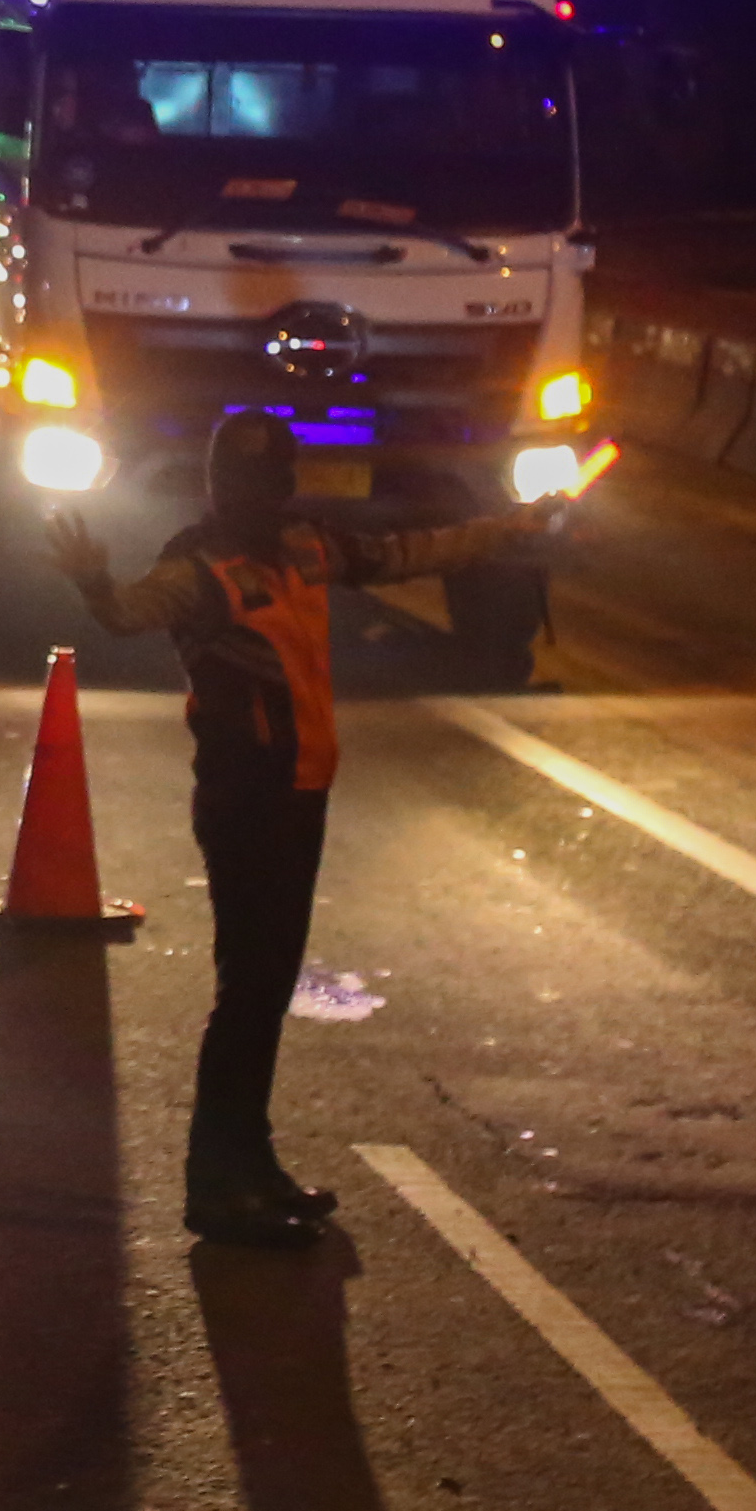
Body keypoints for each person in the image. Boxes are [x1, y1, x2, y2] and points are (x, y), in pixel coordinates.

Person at [49, 412, 557, 1248]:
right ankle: (216, 1182)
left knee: (265, 989)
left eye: (271, 486)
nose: (262, 501)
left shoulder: (308, 549)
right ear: (224, 489)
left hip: (300, 791)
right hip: (245, 799)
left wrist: (506, 529)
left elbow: (411, 553)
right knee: (247, 990)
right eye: (249, 487)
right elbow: (131, 613)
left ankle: (251, 1166)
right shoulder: (201, 568)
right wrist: (96, 584)